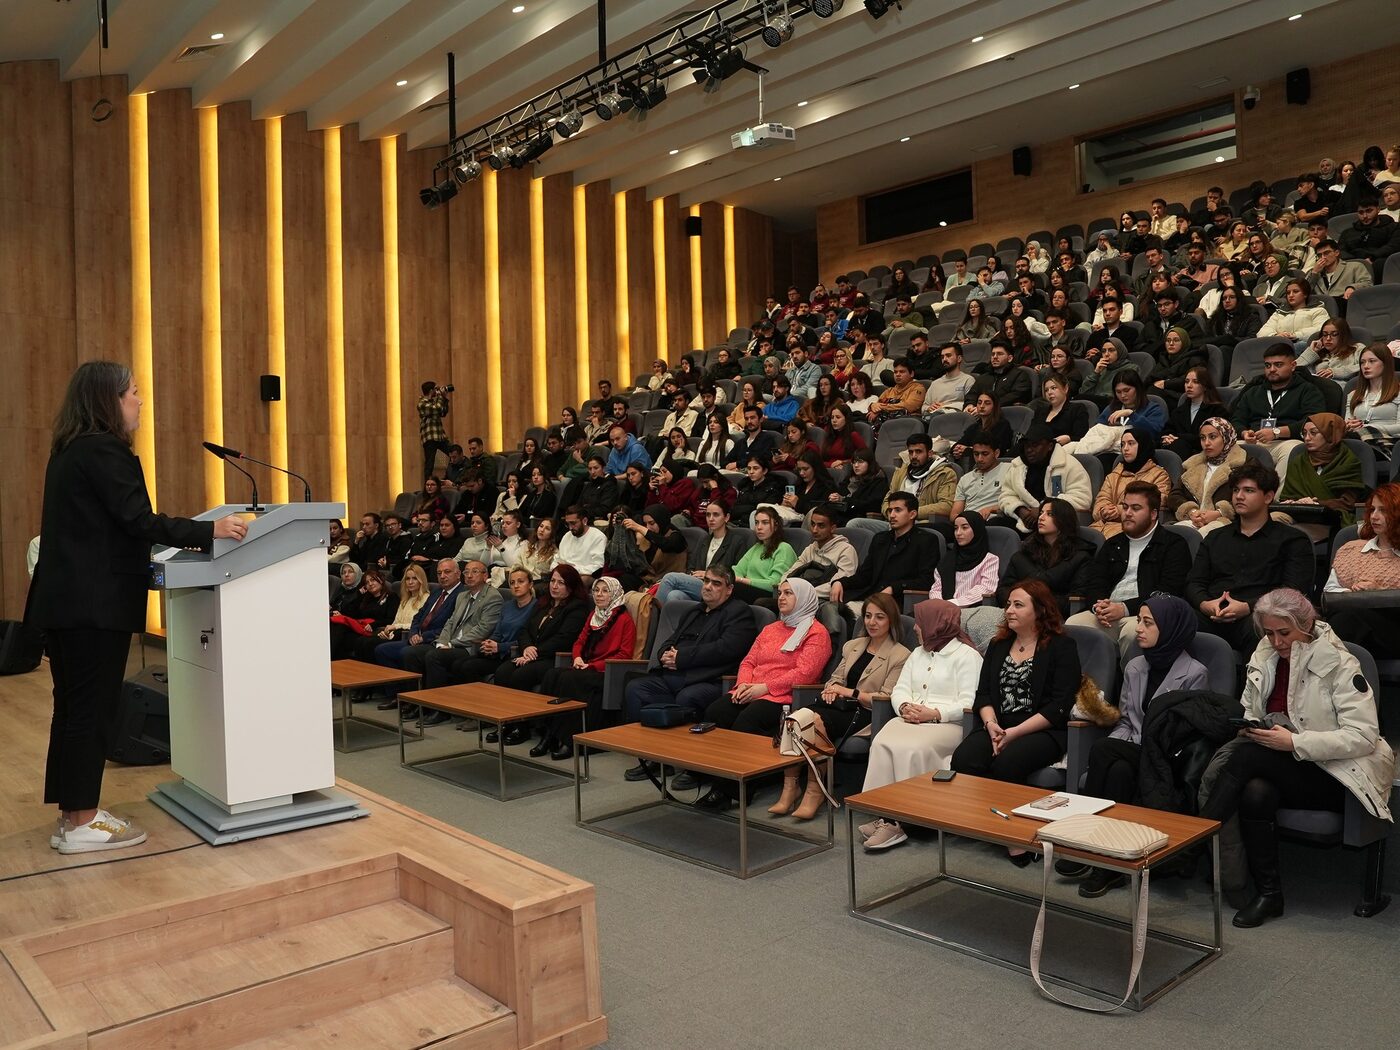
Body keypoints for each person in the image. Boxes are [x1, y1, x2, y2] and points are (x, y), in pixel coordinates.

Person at [26, 362, 247, 853]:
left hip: (66, 606)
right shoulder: (107, 450)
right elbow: (138, 520)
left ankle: (72, 815)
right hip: (94, 607)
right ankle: (83, 821)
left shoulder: (68, 452)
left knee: (73, 711)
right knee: (91, 712)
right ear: (108, 400)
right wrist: (211, 529)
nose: (140, 401)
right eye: (133, 393)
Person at [1198, 589, 1394, 927]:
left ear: (1307, 624)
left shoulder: (1340, 663)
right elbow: (1250, 706)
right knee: (1256, 791)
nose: (1276, 641)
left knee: (1246, 759)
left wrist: (1295, 743)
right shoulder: (1264, 654)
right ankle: (1270, 895)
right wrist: (1251, 726)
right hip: (1279, 760)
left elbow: (1363, 737)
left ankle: (1196, 837)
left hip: (1336, 773)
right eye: (1269, 633)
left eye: (1284, 633)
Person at [1067, 595, 1208, 896]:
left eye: (1148, 623)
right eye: (1140, 621)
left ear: (1170, 628)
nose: (1139, 629)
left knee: (1104, 750)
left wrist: (1114, 749)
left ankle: (1085, 843)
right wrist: (1120, 746)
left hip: (1166, 758)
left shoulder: (1195, 673)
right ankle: (1108, 864)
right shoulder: (1134, 667)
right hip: (1133, 752)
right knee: (1116, 769)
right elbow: (1126, 723)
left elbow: (1187, 734)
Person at [951, 579, 1082, 863]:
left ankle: (1017, 835)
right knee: (964, 759)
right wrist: (991, 726)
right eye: (1008, 604)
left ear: (1040, 610)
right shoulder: (998, 645)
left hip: (1041, 728)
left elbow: (1060, 705)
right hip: (997, 724)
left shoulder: (1062, 647)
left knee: (1007, 763)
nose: (1009, 610)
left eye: (1018, 605)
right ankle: (988, 822)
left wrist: (1015, 733)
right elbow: (983, 694)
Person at [694, 580, 833, 811]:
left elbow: (805, 674)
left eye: (789, 593)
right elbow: (748, 661)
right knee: (715, 712)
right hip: (752, 689)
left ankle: (737, 792)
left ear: (805, 597)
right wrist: (743, 685)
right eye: (780, 593)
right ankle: (718, 779)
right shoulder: (771, 629)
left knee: (746, 721)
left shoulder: (817, 633)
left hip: (785, 697)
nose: (781, 597)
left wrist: (764, 688)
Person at [857, 599, 981, 851]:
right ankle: (884, 813)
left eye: (920, 622)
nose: (915, 628)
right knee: (882, 740)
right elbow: (900, 689)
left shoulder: (968, 657)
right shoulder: (917, 652)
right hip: (912, 718)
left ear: (937, 624)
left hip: (949, 725)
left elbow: (969, 702)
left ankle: (903, 820)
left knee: (912, 747)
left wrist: (934, 713)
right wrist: (903, 706)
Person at [623, 565, 759, 781]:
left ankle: (692, 766)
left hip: (710, 679)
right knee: (637, 688)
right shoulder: (694, 610)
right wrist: (664, 655)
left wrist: (682, 658)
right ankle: (654, 758)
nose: (708, 587)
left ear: (729, 589)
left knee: (688, 697)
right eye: (706, 581)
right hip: (674, 674)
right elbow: (670, 639)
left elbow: (726, 649)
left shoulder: (739, 612)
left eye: (716, 583)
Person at [1185, 461, 1315, 649]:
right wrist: (1205, 604)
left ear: (1268, 497)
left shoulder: (1292, 540)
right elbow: (1194, 581)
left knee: (1263, 626)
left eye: (1248, 491)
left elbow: (1293, 590)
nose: (1239, 496)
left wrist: (1247, 606)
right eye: (1236, 490)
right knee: (1175, 620)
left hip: (1260, 615)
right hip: (1213, 614)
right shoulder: (1215, 537)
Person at [1069, 481, 1192, 654]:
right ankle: (1084, 682)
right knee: (1073, 625)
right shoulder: (1113, 543)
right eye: (1125, 507)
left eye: (1136, 508)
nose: (1127, 513)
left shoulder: (1173, 545)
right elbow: (1095, 582)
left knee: (1133, 632)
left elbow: (1167, 592)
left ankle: (1131, 681)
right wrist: (1099, 607)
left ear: (1153, 514)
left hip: (1144, 616)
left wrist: (1124, 608)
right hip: (1107, 615)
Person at [536, 577, 637, 759]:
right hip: (586, 666)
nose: (599, 594)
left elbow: (624, 655)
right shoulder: (593, 615)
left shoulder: (625, 620)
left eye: (605, 591)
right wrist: (577, 658)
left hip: (606, 672)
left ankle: (568, 740)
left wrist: (590, 665)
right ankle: (548, 734)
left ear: (614, 594)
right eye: (596, 590)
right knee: (552, 674)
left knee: (570, 679)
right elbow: (579, 642)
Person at [1324, 484, 1400, 657]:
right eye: (1372, 509)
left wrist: (1379, 593)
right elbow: (1330, 593)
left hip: (1394, 630)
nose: (1374, 516)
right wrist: (1353, 593)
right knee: (1346, 619)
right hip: (1355, 626)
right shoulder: (1351, 549)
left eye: (1383, 510)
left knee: (1347, 620)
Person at [1230, 340, 1325, 471]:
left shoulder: (1307, 390)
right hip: (1253, 442)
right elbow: (1237, 420)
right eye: (1268, 365)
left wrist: (1277, 432)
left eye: (1278, 365)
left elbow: (1313, 421)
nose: (1272, 369)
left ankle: (1277, 492)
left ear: (1293, 366)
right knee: (1224, 448)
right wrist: (1245, 432)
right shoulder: (1253, 391)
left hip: (1285, 442)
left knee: (1293, 450)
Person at [996, 498, 1094, 617]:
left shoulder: (1080, 556)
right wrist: (1020, 604)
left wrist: (1035, 604)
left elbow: (1077, 598)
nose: (1041, 517)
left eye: (1050, 514)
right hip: (1018, 614)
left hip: (1057, 617)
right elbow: (1003, 590)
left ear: (1064, 520)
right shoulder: (1024, 553)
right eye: (1041, 513)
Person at [996, 424, 1093, 533]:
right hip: (1023, 519)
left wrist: (1043, 509)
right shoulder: (1017, 466)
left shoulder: (1069, 465)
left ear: (1050, 446)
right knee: (995, 526)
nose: (1029, 450)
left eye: (1035, 445)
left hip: (1056, 522)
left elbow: (1082, 499)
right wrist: (1020, 510)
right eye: (1026, 445)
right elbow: (1006, 495)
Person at [373, 558, 463, 674]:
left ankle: (412, 690)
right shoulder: (437, 592)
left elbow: (452, 625)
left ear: (458, 574)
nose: (442, 576)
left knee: (407, 653)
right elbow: (418, 616)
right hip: (418, 637)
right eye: (439, 573)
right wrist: (414, 633)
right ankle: (395, 690)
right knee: (382, 650)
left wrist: (424, 637)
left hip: (436, 641)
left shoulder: (462, 595)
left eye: (447, 572)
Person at [1169, 417, 1248, 535]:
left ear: (1226, 437)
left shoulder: (1244, 464)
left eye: (1213, 437)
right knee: (1173, 536)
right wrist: (1192, 511)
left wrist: (1220, 513)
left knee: (1205, 535)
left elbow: (1250, 496)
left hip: (1227, 521)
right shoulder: (1192, 464)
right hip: (1194, 519)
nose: (1206, 443)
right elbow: (1175, 495)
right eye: (1202, 438)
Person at [1091, 428, 1171, 538]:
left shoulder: (1159, 475)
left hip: (1133, 530)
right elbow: (1102, 498)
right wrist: (1104, 511)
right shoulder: (1115, 474)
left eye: (1131, 443)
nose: (1125, 449)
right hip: (1101, 526)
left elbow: (1159, 500)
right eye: (1123, 445)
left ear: (1143, 445)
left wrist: (1119, 510)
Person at [329, 568, 399, 660]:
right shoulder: (366, 599)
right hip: (361, 628)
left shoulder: (391, 597)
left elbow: (391, 619)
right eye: (367, 582)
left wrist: (373, 625)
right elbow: (350, 613)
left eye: (373, 580)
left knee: (353, 639)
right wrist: (359, 595)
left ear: (381, 580)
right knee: (338, 627)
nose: (370, 584)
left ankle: (330, 660)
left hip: (376, 630)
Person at [730, 507, 797, 602]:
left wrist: (743, 580)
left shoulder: (784, 548)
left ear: (776, 526)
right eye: (757, 522)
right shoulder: (757, 547)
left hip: (769, 594)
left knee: (729, 588)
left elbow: (775, 583)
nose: (759, 527)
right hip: (747, 589)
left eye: (765, 523)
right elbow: (737, 570)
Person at [1344, 343, 1400, 452]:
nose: (1366, 366)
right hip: (1359, 441)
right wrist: (1348, 425)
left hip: (1389, 442)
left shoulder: (1398, 392)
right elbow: (1347, 423)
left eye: (1372, 361)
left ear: (1385, 363)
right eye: (1362, 362)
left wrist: (1369, 429)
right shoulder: (1353, 395)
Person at [1160, 366, 1225, 459]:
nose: (1189, 385)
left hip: (1206, 455)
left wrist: (1180, 438)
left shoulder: (1217, 411)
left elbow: (1214, 438)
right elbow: (1167, 431)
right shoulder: (1178, 411)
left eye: (1195, 382)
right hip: (1180, 453)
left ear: (1205, 386)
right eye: (1186, 381)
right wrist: (1167, 439)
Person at [831, 450, 890, 526]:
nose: (856, 465)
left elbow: (871, 505)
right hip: (844, 514)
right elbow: (840, 492)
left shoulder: (878, 481)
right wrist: (834, 497)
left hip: (862, 517)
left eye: (860, 462)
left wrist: (844, 500)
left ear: (870, 463)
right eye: (854, 462)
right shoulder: (850, 479)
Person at [1297, 317, 1363, 382]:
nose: (1328, 338)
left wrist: (1335, 372)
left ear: (1343, 335)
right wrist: (1311, 352)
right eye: (1325, 334)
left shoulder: (1357, 349)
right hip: (1315, 388)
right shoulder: (1317, 355)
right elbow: (1293, 369)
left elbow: (1365, 366)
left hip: (1339, 388)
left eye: (1334, 334)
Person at [556, 506, 607, 579]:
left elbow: (598, 566)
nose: (570, 528)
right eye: (567, 524)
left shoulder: (598, 537)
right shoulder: (567, 536)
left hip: (581, 576)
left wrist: (573, 570)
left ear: (584, 521)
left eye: (573, 523)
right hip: (562, 574)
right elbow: (557, 559)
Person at [417, 380, 451, 480]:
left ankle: (450, 476)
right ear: (431, 390)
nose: (438, 391)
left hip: (440, 436)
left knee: (454, 453)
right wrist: (441, 397)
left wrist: (444, 397)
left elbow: (443, 412)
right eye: (436, 389)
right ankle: (427, 487)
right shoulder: (422, 403)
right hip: (429, 437)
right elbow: (437, 409)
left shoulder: (435, 402)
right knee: (429, 464)